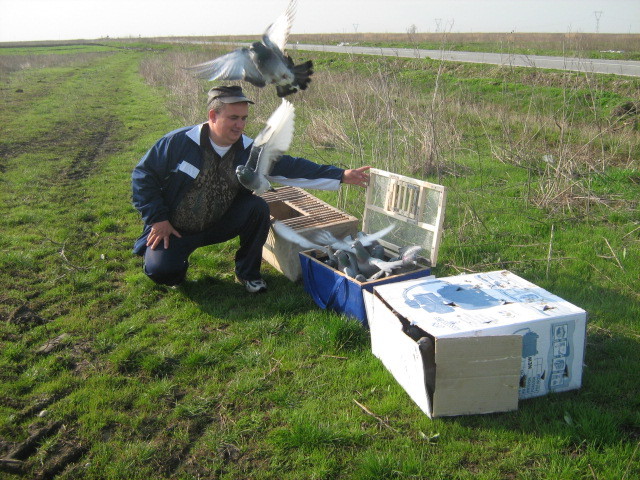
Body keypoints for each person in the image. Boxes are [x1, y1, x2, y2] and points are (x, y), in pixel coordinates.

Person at [131, 85, 370, 292]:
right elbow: (144, 175)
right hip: (175, 228)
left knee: (256, 207)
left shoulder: (249, 151)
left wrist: (341, 175)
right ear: (213, 115)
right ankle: (172, 263)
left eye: (244, 118)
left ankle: (248, 273)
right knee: (163, 273)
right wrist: (158, 219)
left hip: (219, 222)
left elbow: (291, 166)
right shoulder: (178, 142)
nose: (240, 125)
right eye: (233, 118)